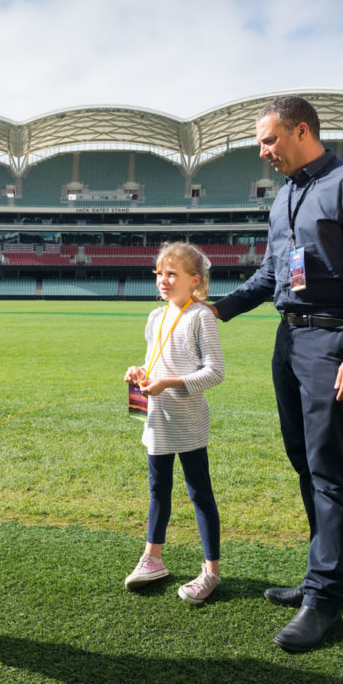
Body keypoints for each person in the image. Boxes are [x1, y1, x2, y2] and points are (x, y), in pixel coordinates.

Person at [209, 96, 343, 652]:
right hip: (289, 339)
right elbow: (272, 272)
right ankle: (334, 578)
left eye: (269, 141)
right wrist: (218, 309)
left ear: (301, 130)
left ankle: (324, 599)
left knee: (330, 468)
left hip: (332, 341)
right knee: (303, 461)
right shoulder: (285, 196)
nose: (263, 153)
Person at [123, 242, 226, 605]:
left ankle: (211, 571)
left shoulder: (200, 317)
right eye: (159, 274)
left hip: (188, 419)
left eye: (172, 274)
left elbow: (215, 372)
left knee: (199, 493)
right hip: (158, 419)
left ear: (195, 281)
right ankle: (152, 559)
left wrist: (171, 383)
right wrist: (140, 372)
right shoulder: (155, 317)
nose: (163, 281)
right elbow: (154, 362)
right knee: (157, 489)